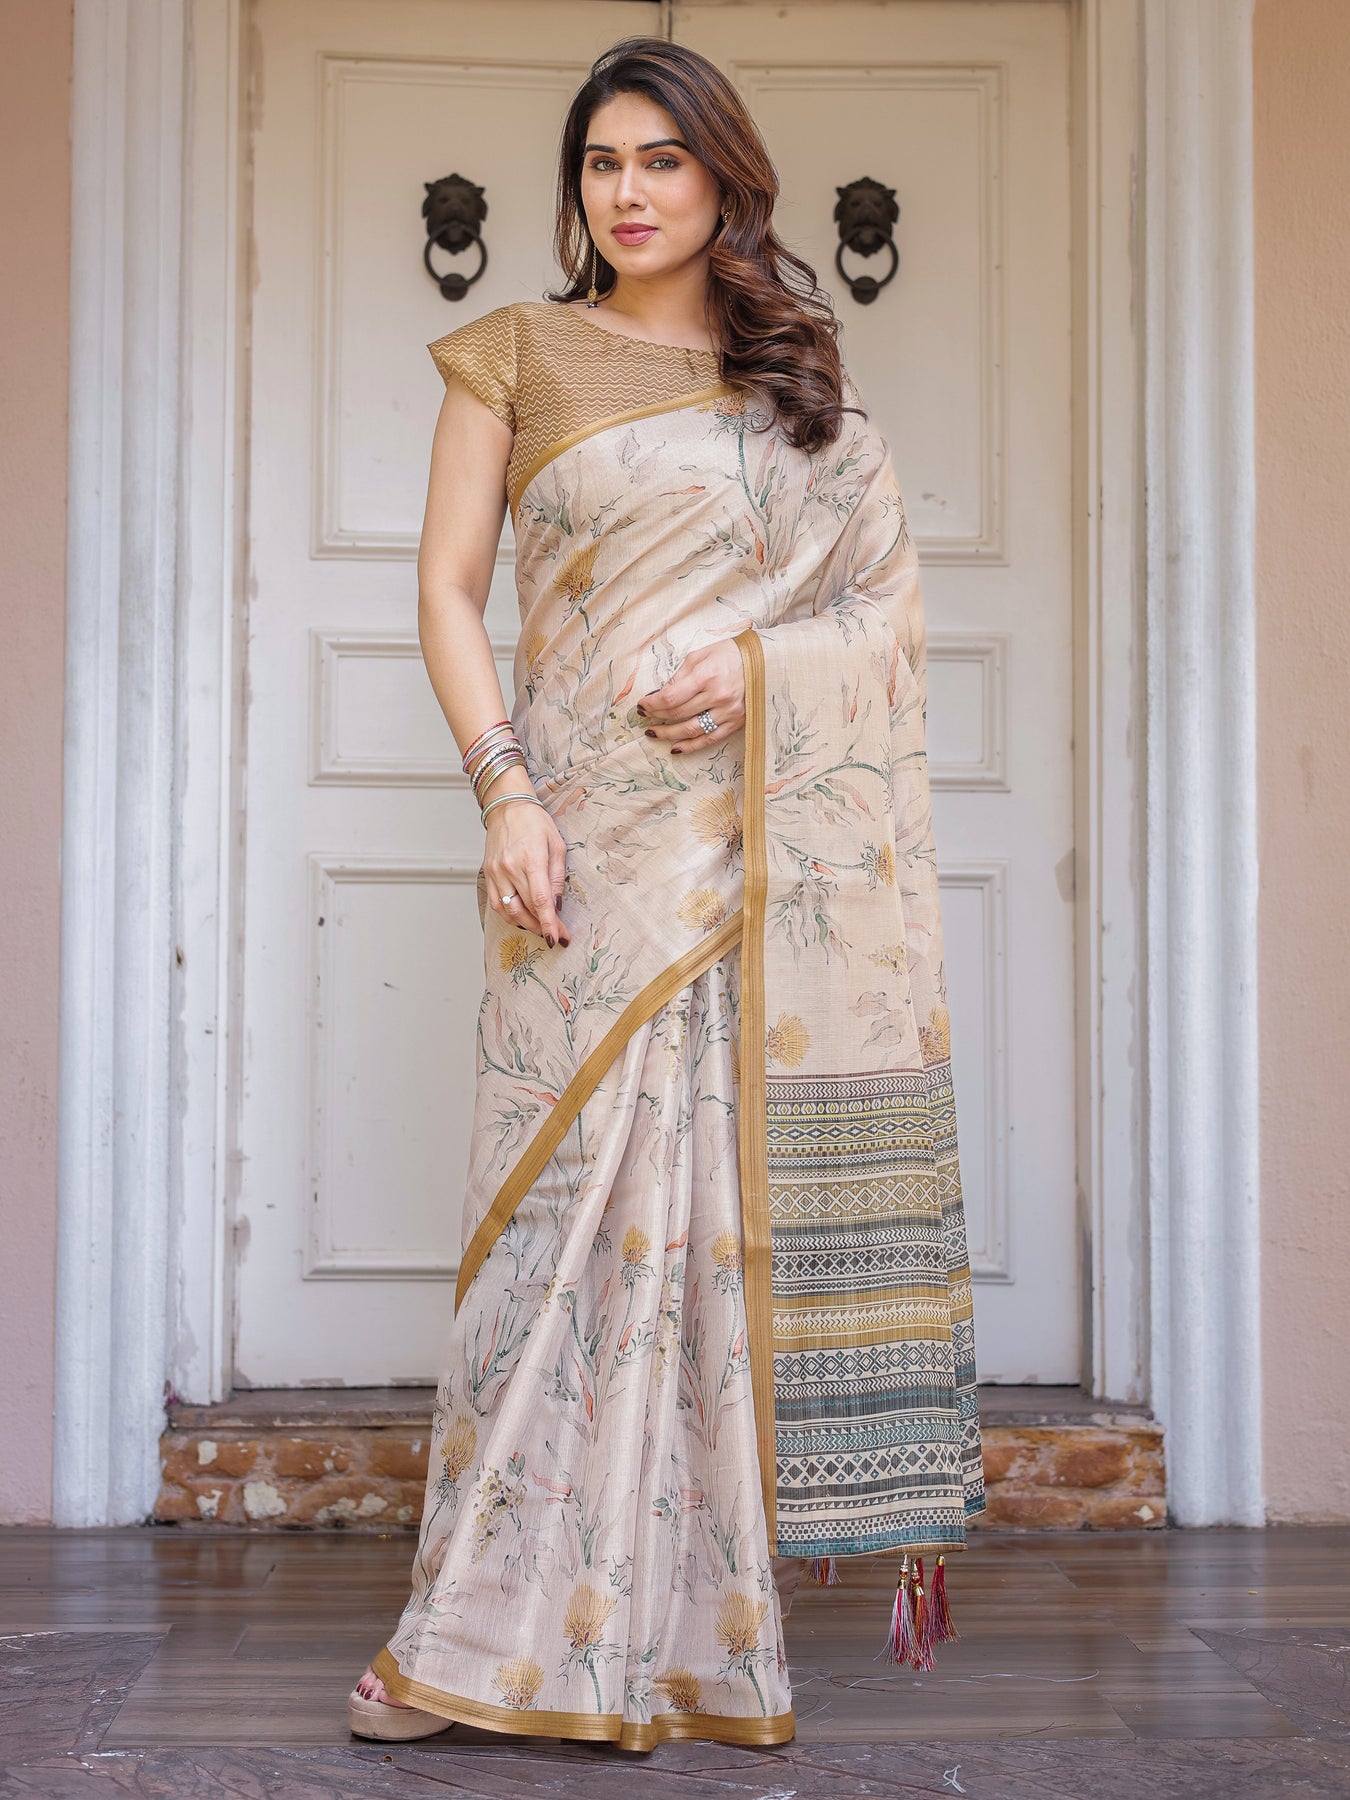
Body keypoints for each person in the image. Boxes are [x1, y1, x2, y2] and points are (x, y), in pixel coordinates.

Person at [348, 36, 983, 1753]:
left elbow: (884, 621)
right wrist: (505, 794)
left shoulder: (801, 393)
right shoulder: (516, 354)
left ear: (723, 181)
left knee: (703, 1246)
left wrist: (762, 671)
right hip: (573, 856)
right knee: (546, 1246)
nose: (625, 193)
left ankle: (681, 1640)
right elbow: (447, 590)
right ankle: (469, 1630)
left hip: (747, 869)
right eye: (600, 162)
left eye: (660, 161)